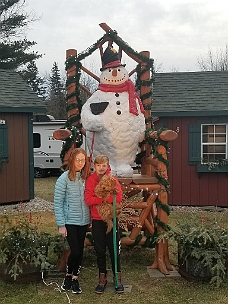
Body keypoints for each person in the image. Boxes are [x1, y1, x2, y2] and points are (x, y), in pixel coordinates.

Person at [84, 154, 124, 294]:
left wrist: (102, 198)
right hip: (97, 220)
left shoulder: (113, 180)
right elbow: (88, 199)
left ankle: (117, 277)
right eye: (98, 165)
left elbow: (118, 197)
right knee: (100, 250)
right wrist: (104, 198)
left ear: (108, 166)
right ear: (95, 166)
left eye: (104, 165)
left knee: (114, 249)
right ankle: (102, 277)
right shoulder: (91, 180)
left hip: (111, 218)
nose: (101, 168)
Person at [54, 147, 91, 294]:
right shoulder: (64, 179)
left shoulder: (86, 177)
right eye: (78, 160)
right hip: (70, 221)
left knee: (80, 250)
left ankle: (75, 278)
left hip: (84, 221)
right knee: (75, 250)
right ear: (72, 160)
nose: (81, 163)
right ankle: (68, 275)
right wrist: (61, 225)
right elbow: (58, 202)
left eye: (83, 160)